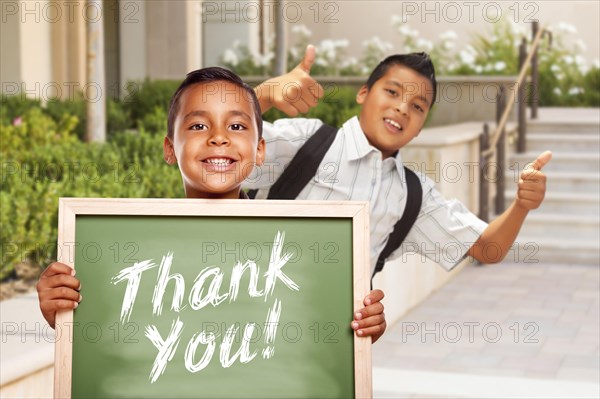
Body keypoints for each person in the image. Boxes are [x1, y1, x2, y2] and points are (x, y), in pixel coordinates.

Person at [36, 67, 386, 342]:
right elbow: (113, 337)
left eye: (236, 125)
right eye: (199, 125)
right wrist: (64, 314)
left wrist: (361, 326)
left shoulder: (299, 248)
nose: (219, 137)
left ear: (260, 149)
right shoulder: (131, 249)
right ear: (170, 149)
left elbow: (319, 335)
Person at [247, 46, 552, 276]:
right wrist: (261, 97)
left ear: (421, 127)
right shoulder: (306, 142)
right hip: (251, 318)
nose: (402, 108)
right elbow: (212, 155)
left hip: (328, 346)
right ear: (364, 93)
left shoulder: (412, 196)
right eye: (392, 92)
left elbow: (488, 248)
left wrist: (521, 205)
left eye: (418, 107)